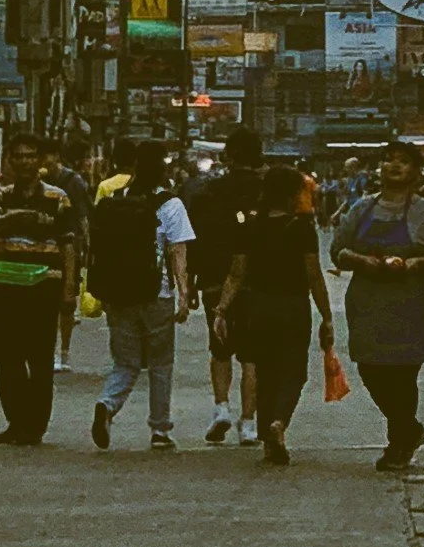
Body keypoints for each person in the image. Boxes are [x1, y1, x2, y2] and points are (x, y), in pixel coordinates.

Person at [331, 141, 424, 471]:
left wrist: (418, 263)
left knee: (403, 373)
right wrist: (361, 260)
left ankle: (398, 444)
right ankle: (409, 429)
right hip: (367, 301)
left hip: (411, 301)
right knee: (369, 368)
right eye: (388, 160)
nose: (394, 166)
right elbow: (337, 251)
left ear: (415, 171)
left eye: (403, 161)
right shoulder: (361, 208)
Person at [212, 166, 336, 465]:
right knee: (293, 372)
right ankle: (279, 422)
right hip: (293, 306)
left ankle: (269, 441)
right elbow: (313, 275)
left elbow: (236, 274)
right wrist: (326, 315)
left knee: (265, 372)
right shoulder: (301, 228)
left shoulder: (250, 225)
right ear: (293, 193)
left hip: (257, 307)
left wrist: (221, 309)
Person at [89, 141, 196, 451]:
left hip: (118, 292)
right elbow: (178, 251)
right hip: (156, 294)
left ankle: (107, 404)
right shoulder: (170, 204)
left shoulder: (114, 200)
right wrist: (184, 293)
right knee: (160, 364)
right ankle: (160, 429)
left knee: (125, 362)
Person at [0, 131, 76, 445]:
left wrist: (69, 288)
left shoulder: (58, 197)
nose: (24, 161)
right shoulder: (1, 195)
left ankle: (34, 426)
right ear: (9, 160)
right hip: (7, 286)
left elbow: (69, 245)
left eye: (30, 155)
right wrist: (20, 216)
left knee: (40, 358)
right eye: (18, 156)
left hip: (44, 289)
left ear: (40, 160)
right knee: (6, 358)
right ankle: (16, 421)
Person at [184, 127, 265, 440]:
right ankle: (249, 423)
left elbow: (195, 239)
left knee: (220, 347)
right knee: (252, 355)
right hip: (257, 281)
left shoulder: (208, 191)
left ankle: (221, 408)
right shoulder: (266, 190)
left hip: (214, 279)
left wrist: (190, 281)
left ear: (227, 155)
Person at [41, 140, 96, 375]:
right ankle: (46, 350)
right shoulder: (35, 182)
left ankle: (64, 352)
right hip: (42, 246)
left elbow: (83, 217)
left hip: (69, 246)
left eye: (46, 156)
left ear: (56, 156)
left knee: (67, 302)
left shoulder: (73, 182)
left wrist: (88, 247)